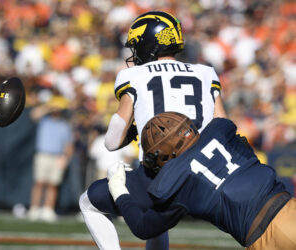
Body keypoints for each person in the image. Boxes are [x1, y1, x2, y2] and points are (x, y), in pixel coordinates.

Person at [79, 11, 226, 250]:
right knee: (157, 216)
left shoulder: (133, 75)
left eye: (137, 45)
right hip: (208, 176)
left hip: (162, 177)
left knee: (88, 201)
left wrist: (136, 131)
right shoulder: (206, 73)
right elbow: (224, 125)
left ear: (149, 43)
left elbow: (112, 141)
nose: (135, 52)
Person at [107, 112, 296, 250]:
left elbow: (143, 227)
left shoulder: (175, 182)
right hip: (290, 208)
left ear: (162, 155)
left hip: (266, 238)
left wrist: (118, 191)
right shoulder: (220, 131)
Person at [27, 104, 74, 222]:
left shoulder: (65, 125)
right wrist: (49, 107)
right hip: (43, 154)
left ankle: (48, 209)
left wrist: (66, 158)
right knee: (39, 182)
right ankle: (34, 208)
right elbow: (33, 114)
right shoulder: (44, 121)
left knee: (53, 184)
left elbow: (68, 145)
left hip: (57, 156)